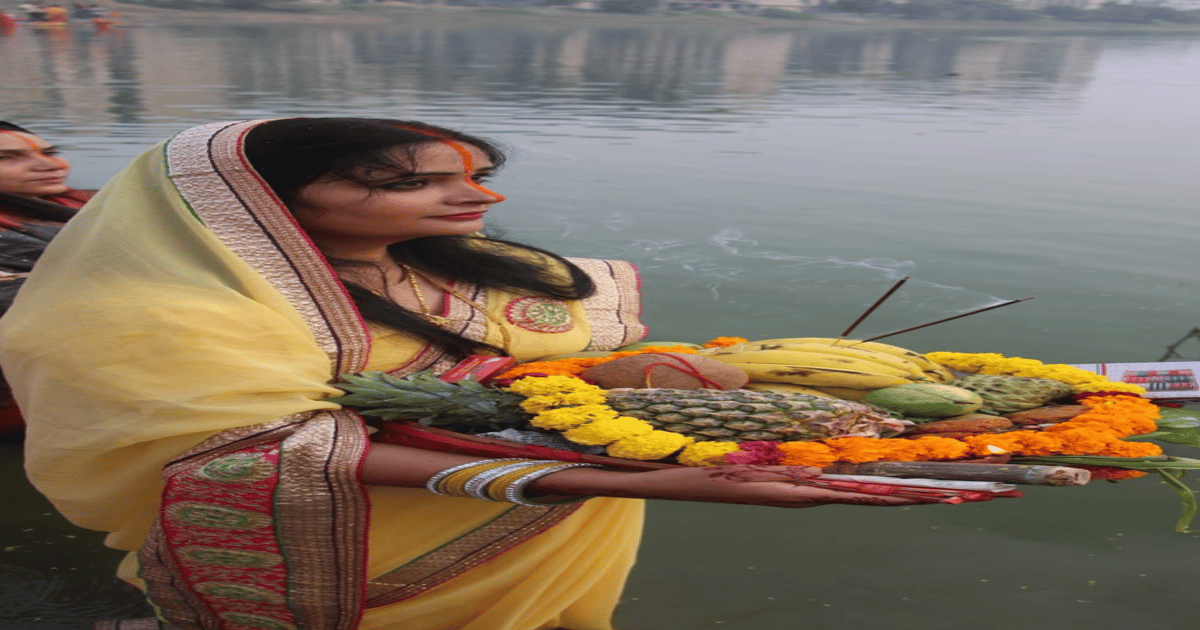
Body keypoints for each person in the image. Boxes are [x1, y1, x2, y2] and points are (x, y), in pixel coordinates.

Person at [0, 118, 970, 630]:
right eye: (412, 182)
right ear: (264, 198)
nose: (473, 194)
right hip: (362, 536)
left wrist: (692, 374)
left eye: (468, 170)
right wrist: (647, 478)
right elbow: (268, 449)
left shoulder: (453, 265)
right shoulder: (170, 312)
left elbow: (535, 369)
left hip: (549, 508)